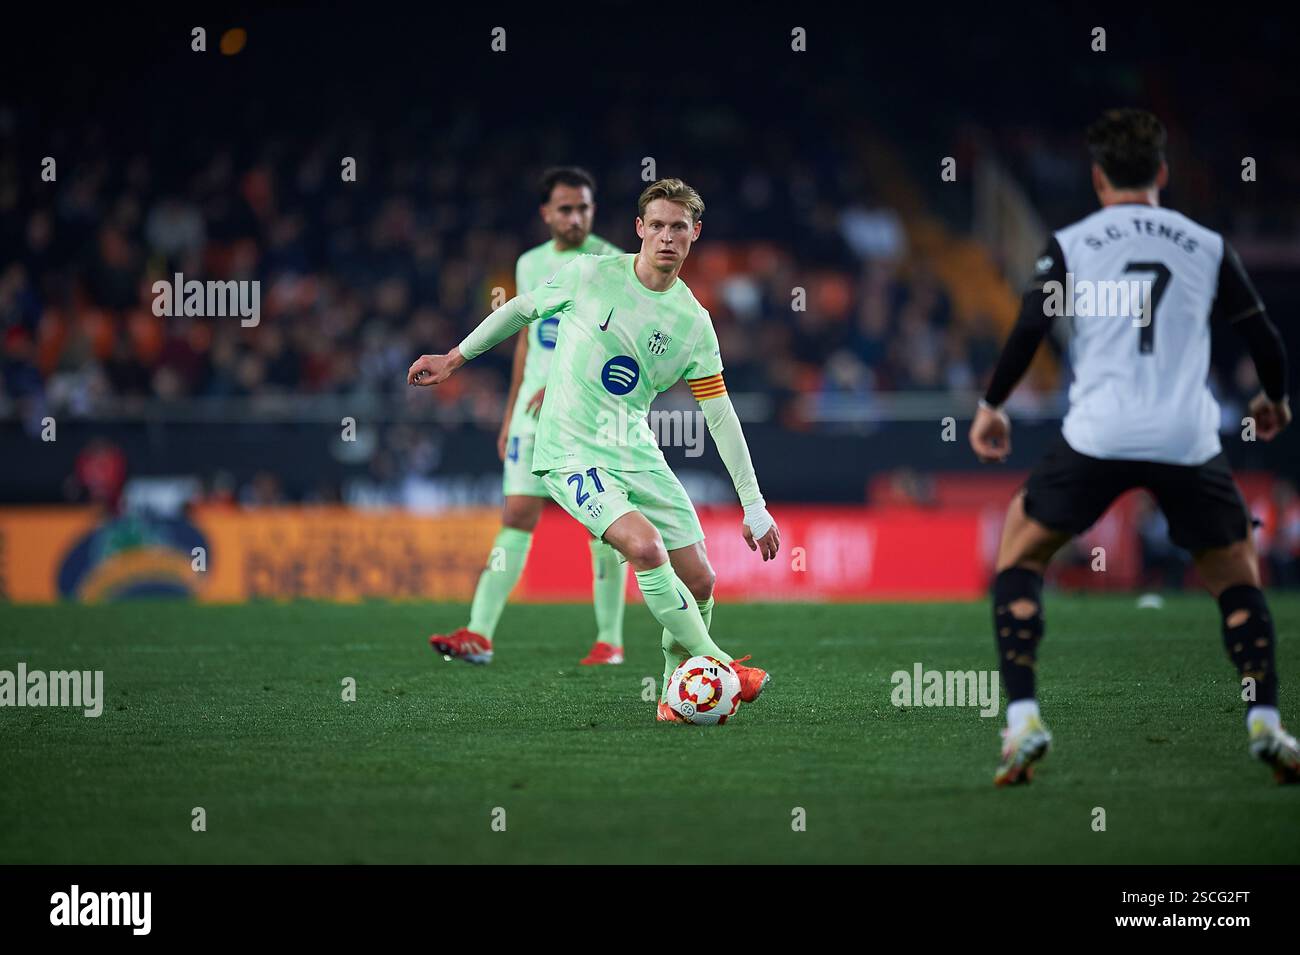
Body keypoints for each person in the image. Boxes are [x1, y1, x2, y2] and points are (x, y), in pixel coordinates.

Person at [969, 109, 1297, 785]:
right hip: (1184, 433)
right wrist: (1274, 399)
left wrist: (991, 406)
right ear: (1163, 174)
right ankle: (1265, 721)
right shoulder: (1205, 243)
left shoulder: (1073, 241)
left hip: (1099, 431)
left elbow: (1031, 327)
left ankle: (1024, 717)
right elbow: (1263, 334)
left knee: (1020, 550)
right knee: (1236, 574)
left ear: (1096, 178)